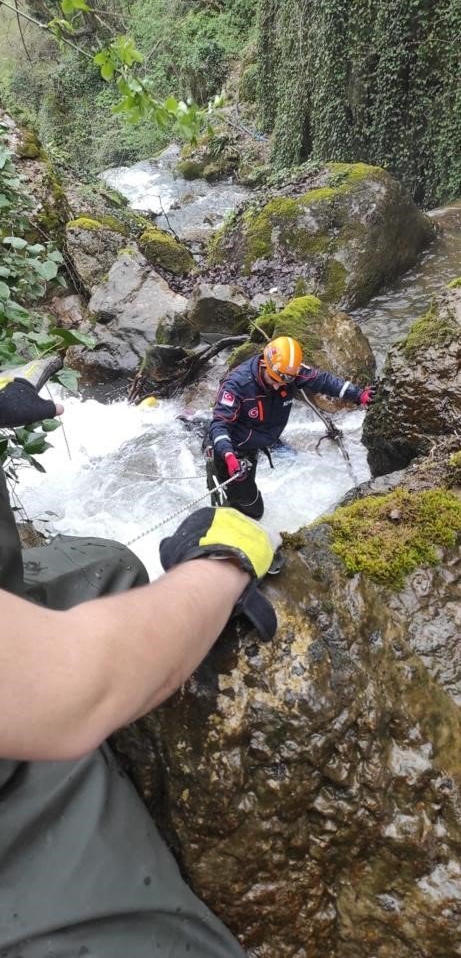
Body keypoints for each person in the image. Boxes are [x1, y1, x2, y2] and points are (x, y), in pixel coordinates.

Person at [0, 360, 280, 957]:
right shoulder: (236, 388)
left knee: (110, 564)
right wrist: (221, 565)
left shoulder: (281, 375)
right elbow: (69, 686)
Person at [206, 336, 375, 519]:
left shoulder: (289, 373)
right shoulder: (237, 385)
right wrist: (229, 456)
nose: (279, 385)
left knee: (251, 508)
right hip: (231, 449)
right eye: (274, 379)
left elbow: (324, 381)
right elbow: (220, 424)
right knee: (251, 511)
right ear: (264, 365)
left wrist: (359, 395)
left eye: (284, 382)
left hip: (258, 437)